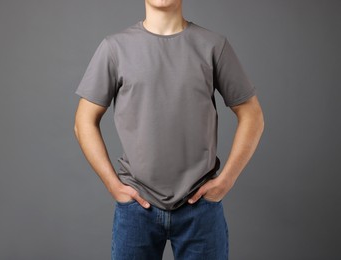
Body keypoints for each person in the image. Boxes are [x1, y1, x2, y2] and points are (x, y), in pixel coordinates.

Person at [73, 0, 264, 259]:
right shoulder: (115, 48)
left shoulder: (213, 45)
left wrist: (226, 180)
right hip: (137, 207)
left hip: (200, 206)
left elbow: (251, 113)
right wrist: (112, 185)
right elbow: (83, 121)